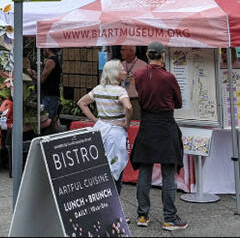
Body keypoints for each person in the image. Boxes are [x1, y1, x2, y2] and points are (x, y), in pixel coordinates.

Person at [131, 42, 187, 231]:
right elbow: (178, 102)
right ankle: (169, 219)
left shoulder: (138, 75)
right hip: (165, 125)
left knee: (144, 171)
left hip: (147, 125)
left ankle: (142, 215)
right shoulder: (168, 77)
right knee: (168, 172)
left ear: (147, 55)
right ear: (163, 55)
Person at [76, 59, 132, 194]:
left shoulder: (98, 89)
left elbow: (81, 103)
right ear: (114, 73)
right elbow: (129, 107)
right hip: (115, 134)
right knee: (115, 168)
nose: (125, 71)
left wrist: (96, 120)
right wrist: (126, 122)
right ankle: (114, 200)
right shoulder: (120, 91)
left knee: (100, 168)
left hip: (100, 131)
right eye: (121, 69)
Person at [27, 48, 61, 122]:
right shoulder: (54, 59)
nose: (42, 52)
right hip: (51, 95)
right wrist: (35, 74)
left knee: (47, 119)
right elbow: (46, 77)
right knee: (51, 119)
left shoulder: (51, 61)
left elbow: (42, 79)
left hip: (50, 95)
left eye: (43, 50)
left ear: (47, 49)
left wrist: (31, 75)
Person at [120, 45, 147, 121]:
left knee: (136, 124)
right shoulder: (121, 65)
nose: (121, 52)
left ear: (131, 51)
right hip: (122, 101)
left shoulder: (143, 65)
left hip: (136, 102)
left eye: (123, 50)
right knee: (123, 124)